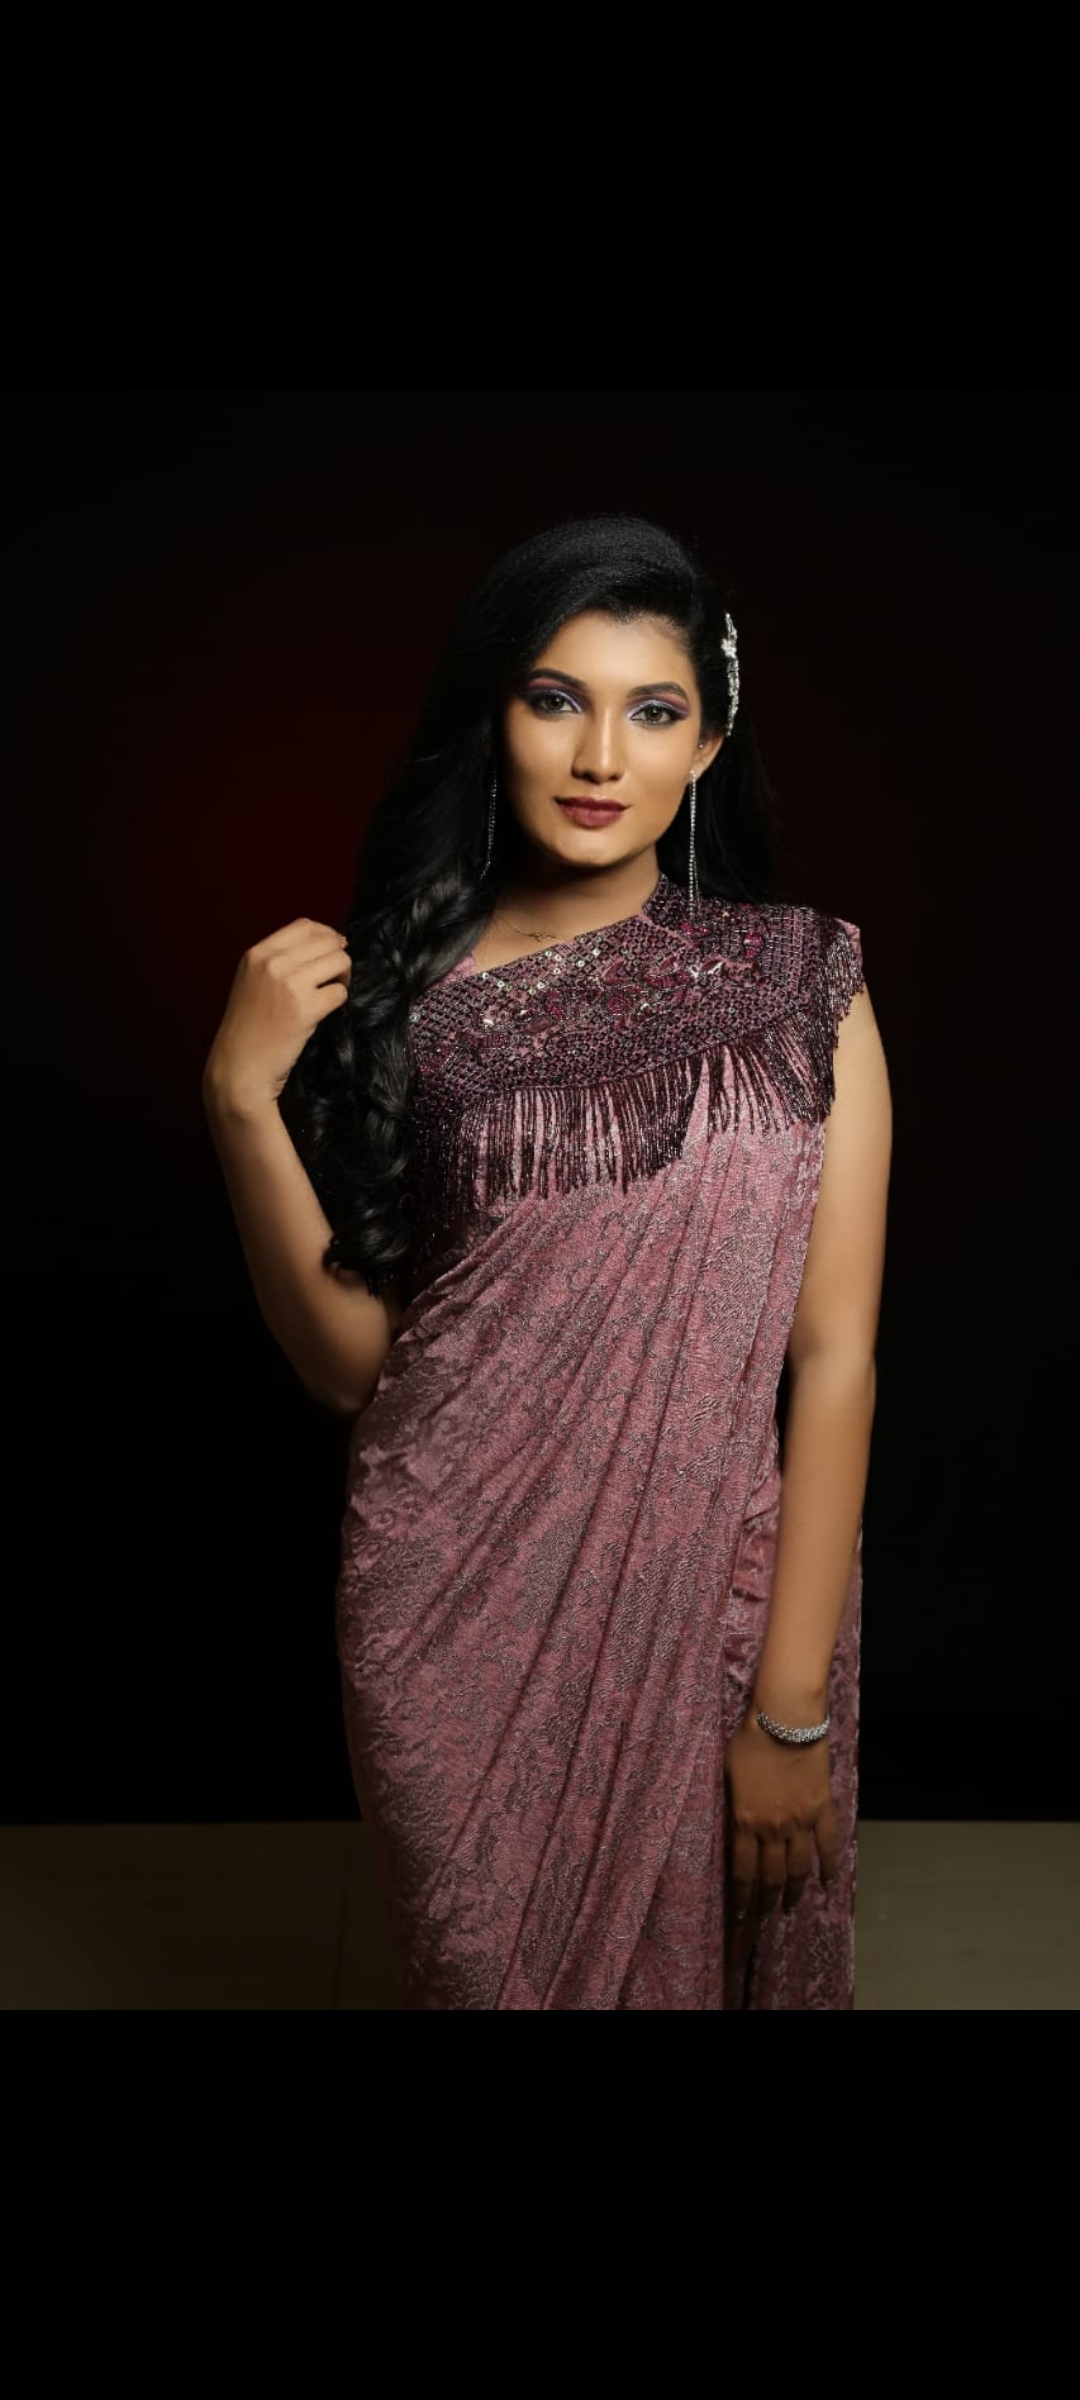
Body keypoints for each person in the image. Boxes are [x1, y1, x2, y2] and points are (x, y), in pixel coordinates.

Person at [202, 513, 892, 2011]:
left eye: (652, 712)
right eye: (556, 699)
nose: (598, 756)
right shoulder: (400, 1002)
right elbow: (354, 1370)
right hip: (452, 1603)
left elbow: (835, 1355)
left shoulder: (804, 982)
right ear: (495, 719)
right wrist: (242, 1100)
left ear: (706, 748)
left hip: (717, 1604)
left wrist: (789, 1710)